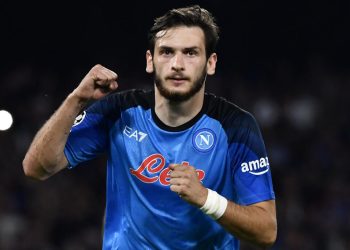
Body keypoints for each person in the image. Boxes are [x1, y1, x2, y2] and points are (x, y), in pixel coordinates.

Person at [23, 5, 277, 250]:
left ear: (210, 63)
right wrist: (75, 100)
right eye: (167, 52)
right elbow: (37, 167)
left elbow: (266, 232)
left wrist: (206, 199)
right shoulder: (119, 112)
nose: (177, 63)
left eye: (190, 52)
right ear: (150, 60)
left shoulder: (235, 126)